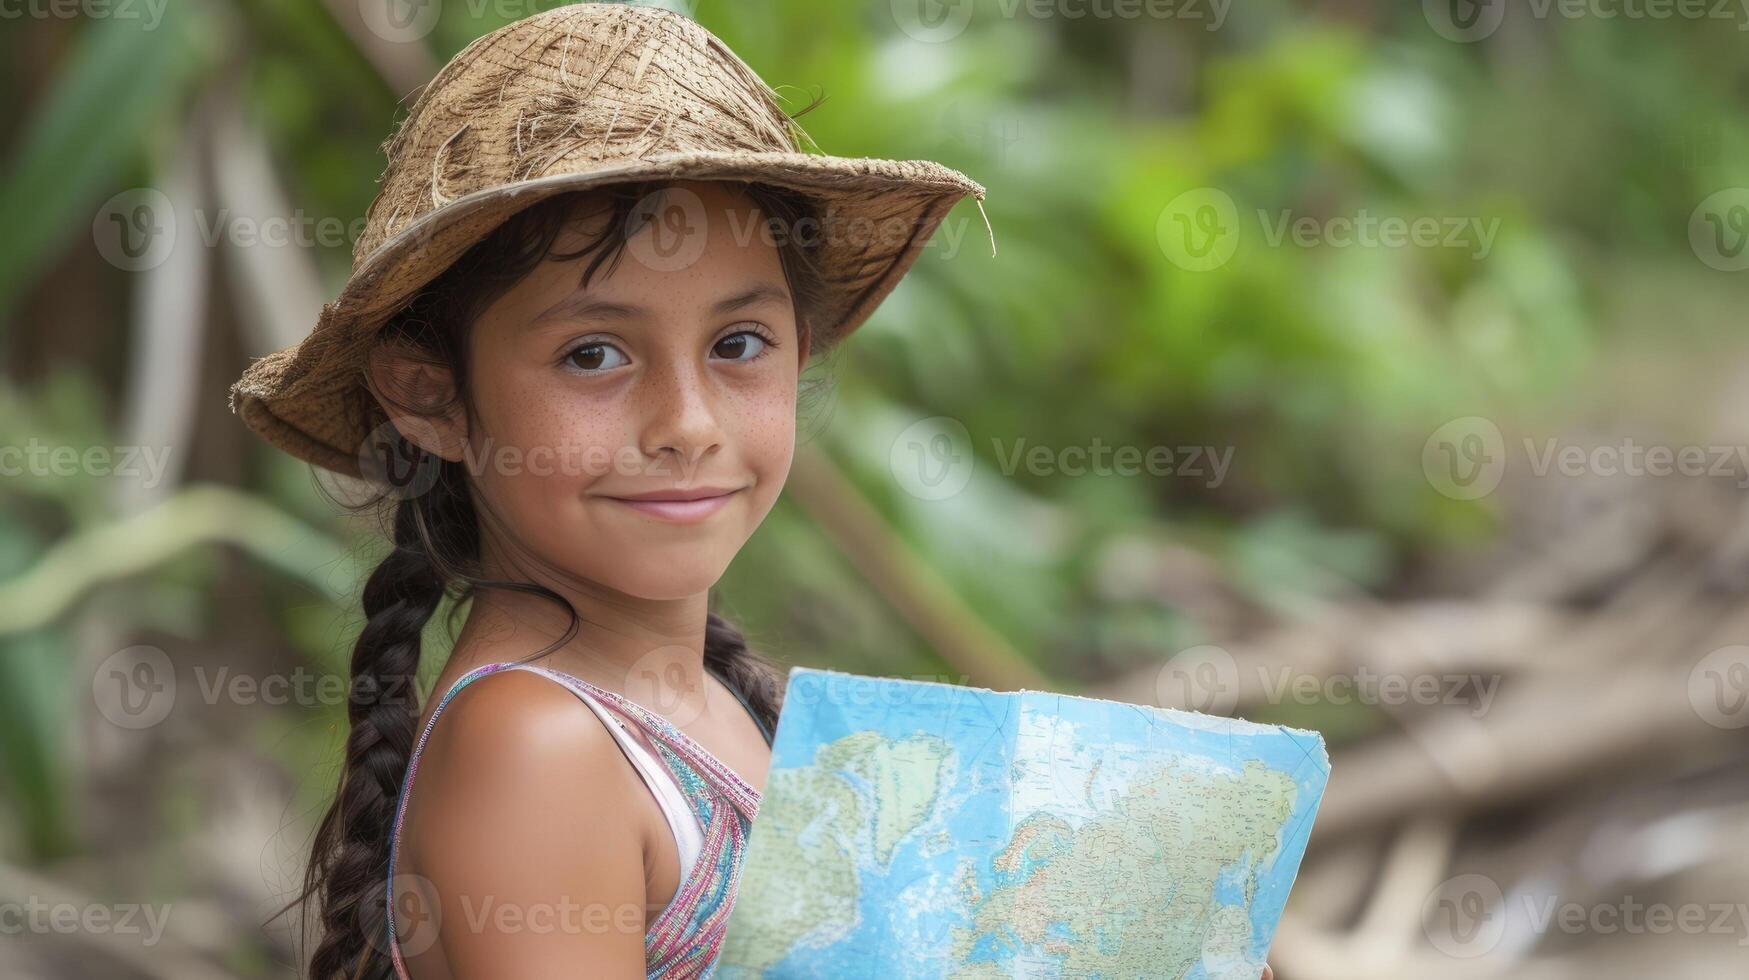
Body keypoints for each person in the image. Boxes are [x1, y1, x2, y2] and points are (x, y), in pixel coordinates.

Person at [229, 5, 1273, 978]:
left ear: (799, 351)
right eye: (594, 353)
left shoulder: (707, 702)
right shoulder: (536, 748)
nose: (687, 420)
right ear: (431, 395)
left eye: (737, 344)